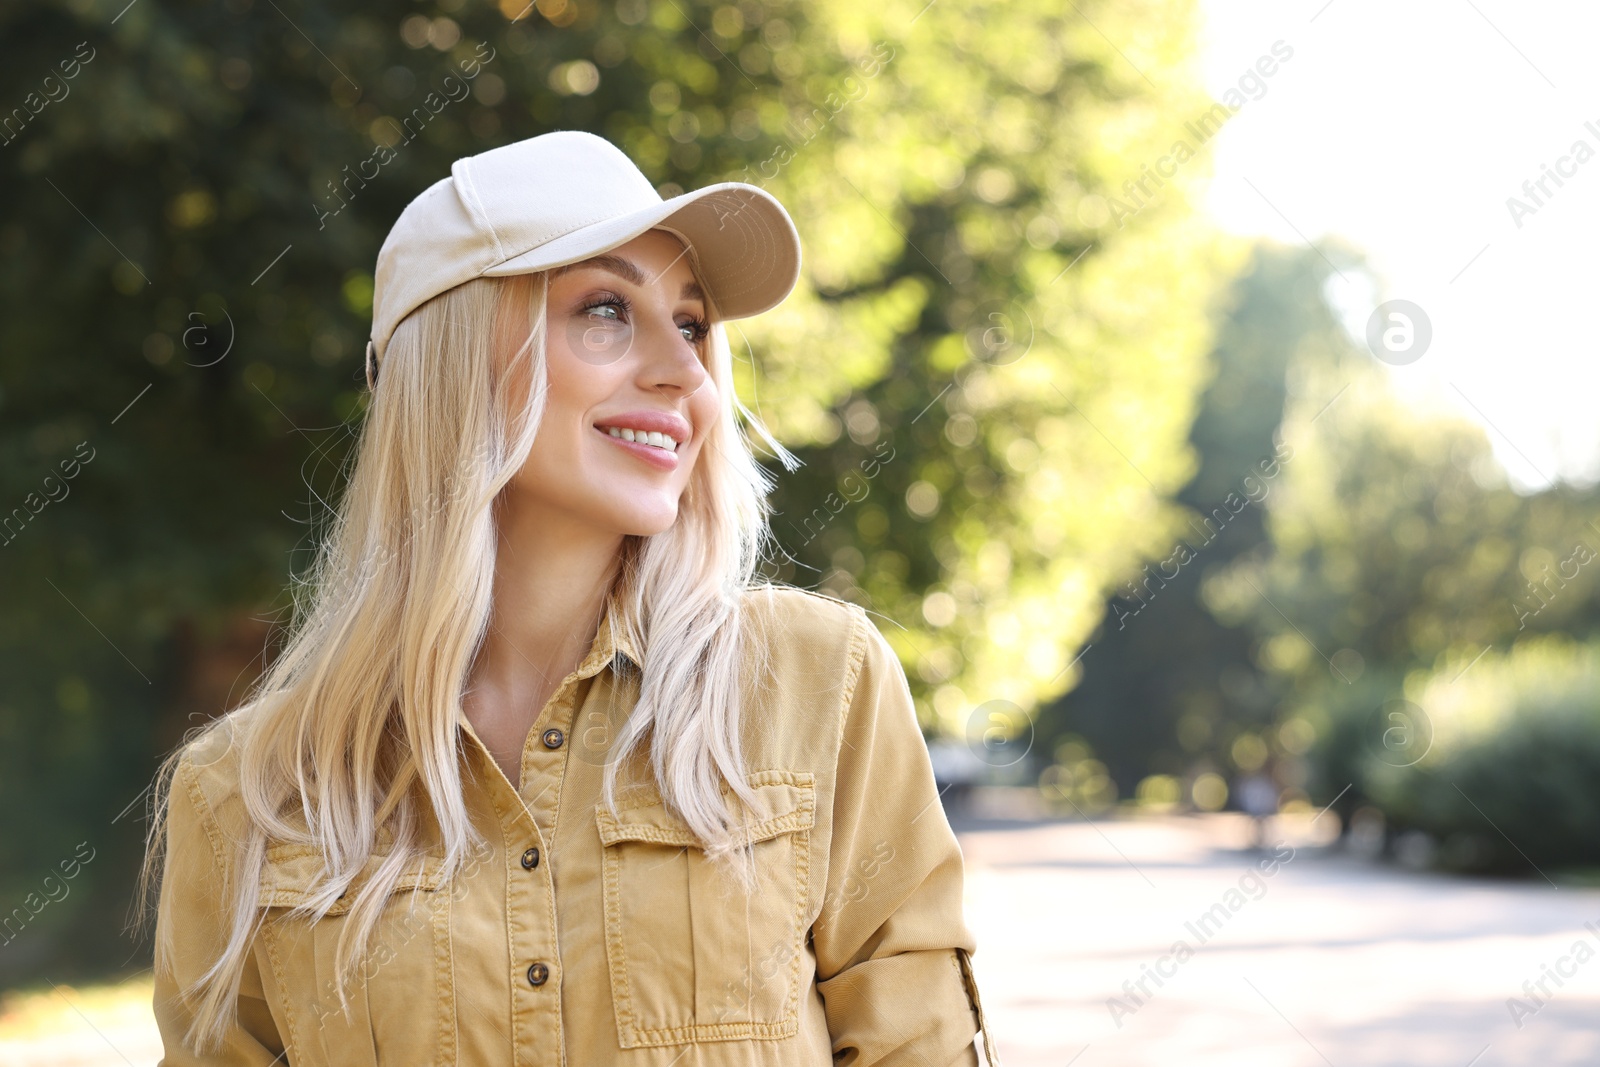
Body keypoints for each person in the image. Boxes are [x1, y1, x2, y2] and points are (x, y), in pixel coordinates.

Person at [139, 130, 1000, 1067]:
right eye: (605, 309)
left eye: (693, 324)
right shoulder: (247, 795)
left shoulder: (818, 683)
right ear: (457, 360)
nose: (687, 375)